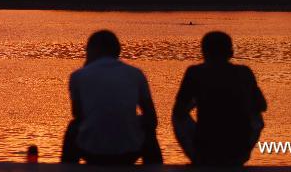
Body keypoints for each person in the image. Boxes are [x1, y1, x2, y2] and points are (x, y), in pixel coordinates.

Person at [62, 30, 158, 165]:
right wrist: (131, 120)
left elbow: (78, 115)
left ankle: (67, 168)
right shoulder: (136, 74)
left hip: (92, 152)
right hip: (129, 152)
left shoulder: (78, 76)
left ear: (92, 50)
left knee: (73, 126)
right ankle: (155, 167)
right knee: (147, 127)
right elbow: (152, 119)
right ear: (117, 51)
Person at [172, 31, 267, 166]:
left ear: (203, 52)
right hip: (238, 151)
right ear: (231, 52)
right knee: (256, 115)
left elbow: (179, 111)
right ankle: (240, 156)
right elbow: (262, 106)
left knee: (177, 115)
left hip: (205, 151)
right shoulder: (244, 72)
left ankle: (197, 157)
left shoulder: (195, 72)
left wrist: (196, 102)